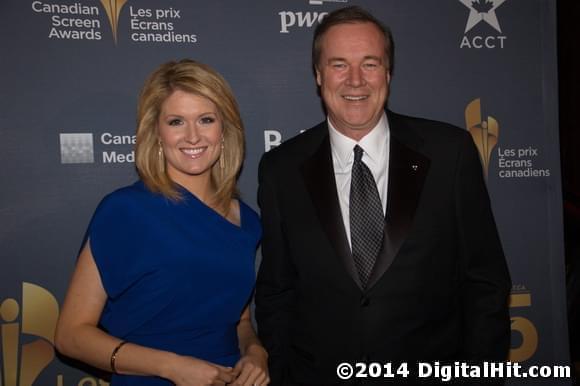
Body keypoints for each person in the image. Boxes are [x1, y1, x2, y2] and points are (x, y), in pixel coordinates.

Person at [255, 6, 511, 385]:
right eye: (339, 64)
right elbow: (277, 292)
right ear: (318, 75)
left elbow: (485, 283)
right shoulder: (281, 169)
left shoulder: (449, 153)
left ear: (388, 73)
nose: (355, 80)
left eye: (370, 64)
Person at [55, 59, 269, 386]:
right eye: (176, 121)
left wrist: (255, 352)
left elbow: (238, 321)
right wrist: (172, 367)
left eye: (206, 119)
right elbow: (71, 336)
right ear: (156, 132)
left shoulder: (247, 221)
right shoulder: (125, 211)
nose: (193, 136)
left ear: (225, 130)